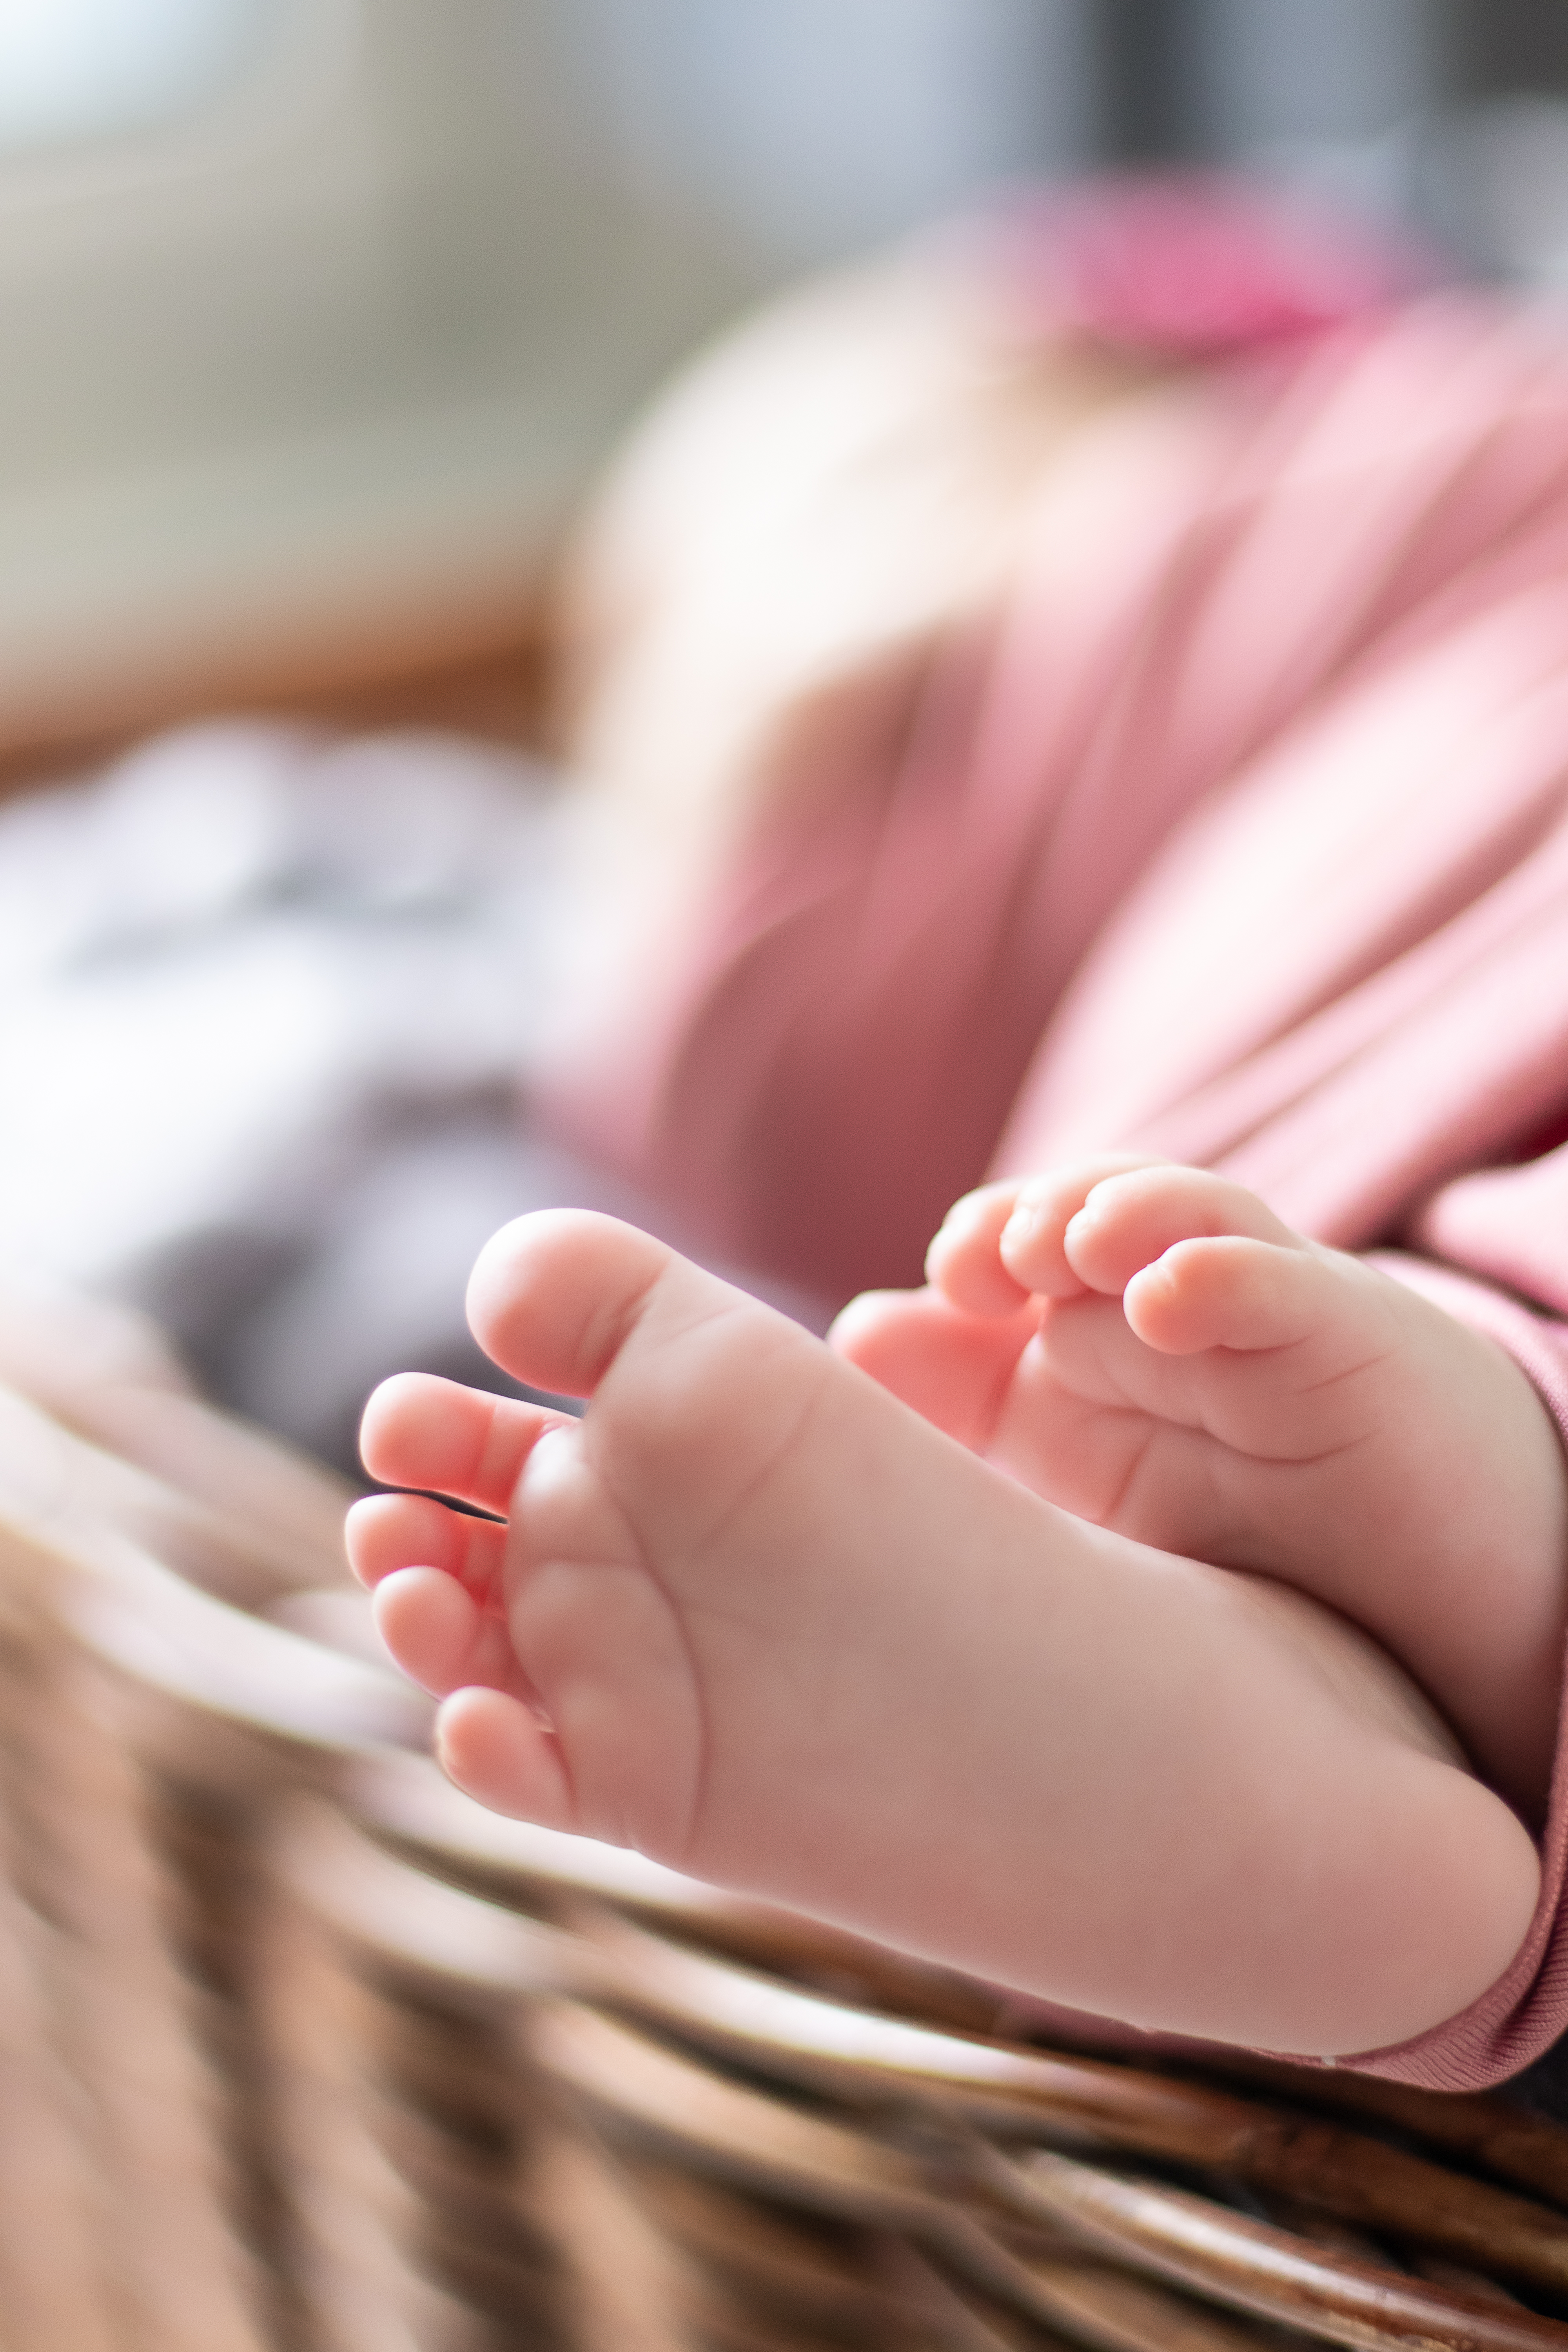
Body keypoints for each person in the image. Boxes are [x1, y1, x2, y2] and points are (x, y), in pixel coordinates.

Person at [350, 190, 1568, 2089]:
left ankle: (1375, 1648)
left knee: (1217, 1289)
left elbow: (738, 1061)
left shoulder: (1228, 517)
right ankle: (1459, 1521)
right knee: (1311, 1256)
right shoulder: (1402, 454)